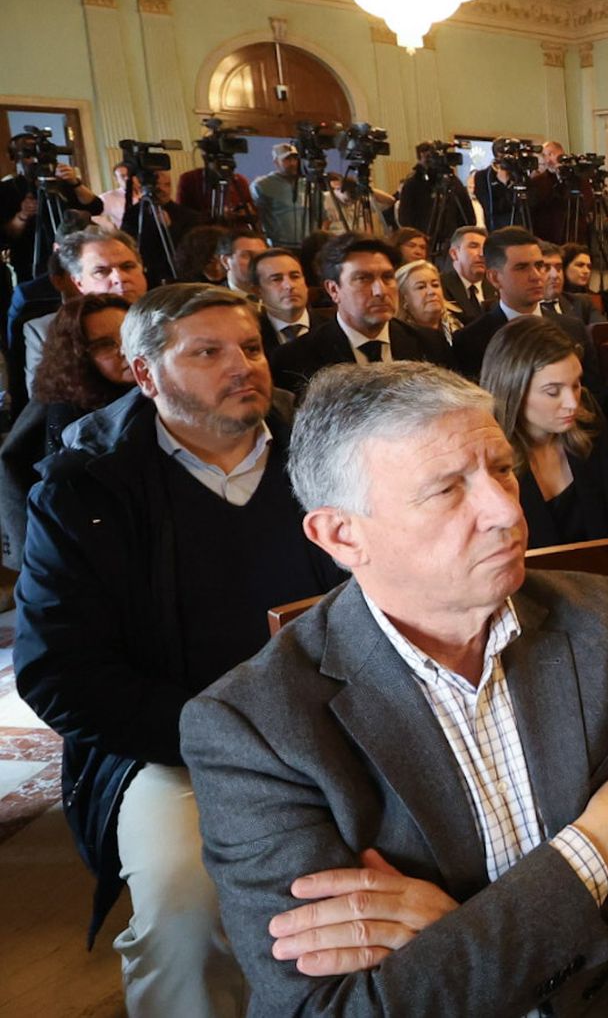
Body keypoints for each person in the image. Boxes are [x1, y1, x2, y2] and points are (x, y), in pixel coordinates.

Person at [179, 361, 608, 1017]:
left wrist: (467, 939)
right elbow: (333, 1009)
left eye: (502, 468)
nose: (505, 510)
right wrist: (601, 842)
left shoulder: (591, 615)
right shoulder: (254, 726)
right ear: (341, 534)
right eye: (447, 490)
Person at [14, 283, 345, 1018]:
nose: (244, 366)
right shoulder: (86, 488)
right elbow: (60, 671)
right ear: (144, 375)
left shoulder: (325, 451)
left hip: (345, 727)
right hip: (178, 751)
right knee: (187, 911)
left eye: (252, 347)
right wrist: (220, 738)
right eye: (207, 352)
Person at [0, 294, 134, 570]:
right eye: (105, 345)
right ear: (79, 355)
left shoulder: (160, 392)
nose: (125, 350)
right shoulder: (68, 416)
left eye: (130, 336)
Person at [481, 314, 608, 547]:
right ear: (513, 393)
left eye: (576, 384)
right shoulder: (486, 459)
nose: (572, 403)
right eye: (552, 392)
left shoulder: (587, 418)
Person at [269, 235, 451, 397]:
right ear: (333, 290)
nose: (380, 291)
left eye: (387, 277)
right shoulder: (294, 359)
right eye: (363, 279)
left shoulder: (429, 344)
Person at [450, 227, 598, 384]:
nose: (536, 276)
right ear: (494, 278)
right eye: (521, 268)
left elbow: (592, 395)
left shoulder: (572, 328)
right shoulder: (471, 340)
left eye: (539, 265)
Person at [24, 229, 148, 398]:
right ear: (78, 283)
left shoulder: (173, 317)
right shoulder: (45, 332)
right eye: (101, 271)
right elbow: (46, 401)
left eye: (128, 266)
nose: (119, 277)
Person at [2, 131, 103, 280]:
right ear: (14, 159)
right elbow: (5, 236)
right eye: (29, 155)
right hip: (30, 261)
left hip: (72, 258)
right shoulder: (7, 189)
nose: (36, 160)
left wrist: (75, 183)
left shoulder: (61, 183)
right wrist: (22, 216)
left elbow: (95, 207)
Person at [395, 144, 473, 254]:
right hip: (424, 244)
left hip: (451, 243)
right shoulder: (413, 183)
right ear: (420, 158)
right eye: (428, 158)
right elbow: (404, 217)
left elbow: (468, 215)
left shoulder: (453, 182)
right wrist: (418, 239)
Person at [252, 247, 331, 352]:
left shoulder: (332, 327)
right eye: (276, 279)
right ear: (258, 291)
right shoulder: (252, 334)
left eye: (295, 276)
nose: (289, 285)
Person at [396, 257, 464, 344]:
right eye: (421, 287)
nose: (432, 292)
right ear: (404, 298)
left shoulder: (460, 324)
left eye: (435, 285)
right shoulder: (399, 337)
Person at [250, 142, 306, 249]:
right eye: (287, 160)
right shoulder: (262, 185)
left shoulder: (307, 183)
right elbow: (257, 216)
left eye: (295, 159)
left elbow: (322, 214)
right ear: (276, 162)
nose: (293, 163)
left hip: (307, 245)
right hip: (280, 245)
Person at [438, 225, 494, 322]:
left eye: (485, 248)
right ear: (454, 253)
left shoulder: (497, 286)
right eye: (473, 246)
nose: (482, 254)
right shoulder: (439, 287)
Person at [534, 238, 597, 324]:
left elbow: (601, 332)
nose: (555, 275)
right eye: (546, 268)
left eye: (559, 268)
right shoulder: (523, 308)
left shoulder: (582, 303)